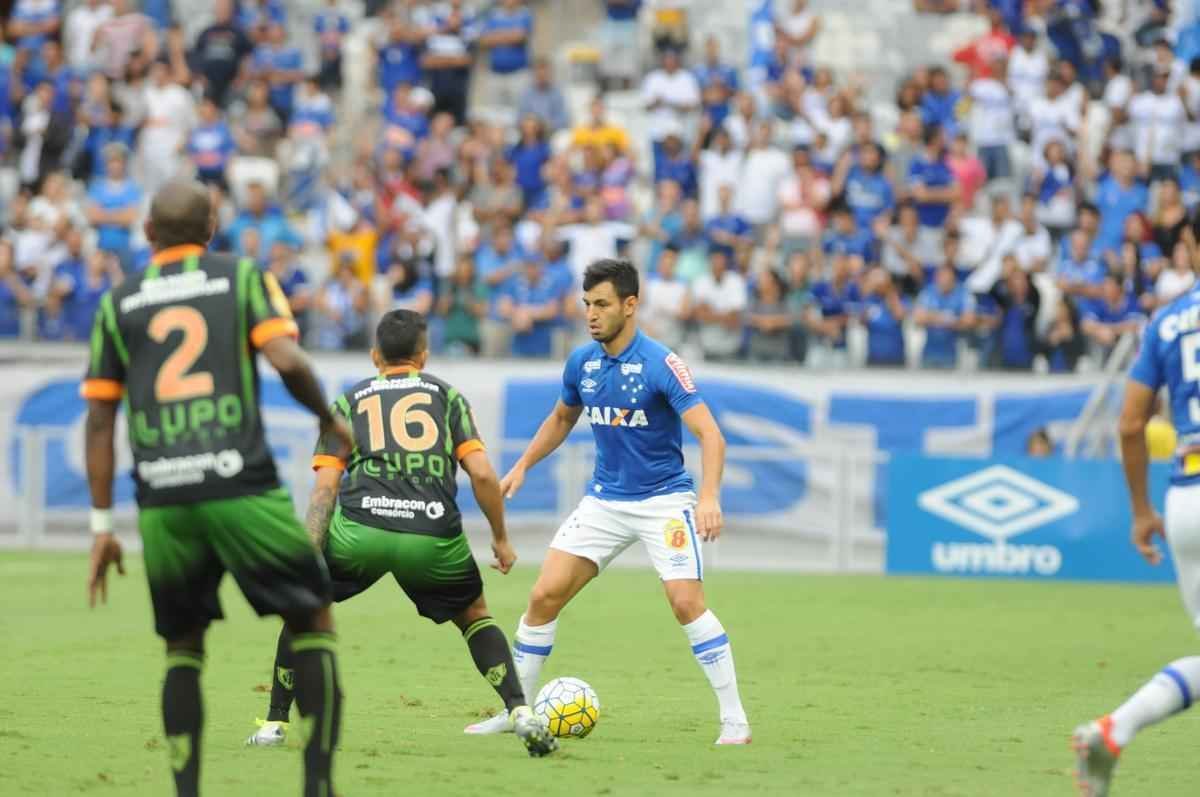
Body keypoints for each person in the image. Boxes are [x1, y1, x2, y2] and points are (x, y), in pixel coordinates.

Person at [81, 179, 353, 797]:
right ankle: (318, 786)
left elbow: (99, 419)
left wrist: (102, 528)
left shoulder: (117, 303)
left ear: (147, 235)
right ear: (211, 230)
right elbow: (286, 359)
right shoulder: (240, 277)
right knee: (311, 617)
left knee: (183, 647)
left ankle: (186, 790)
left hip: (163, 500)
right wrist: (328, 420)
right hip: (240, 485)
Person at [464, 258, 752, 745]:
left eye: (601, 305)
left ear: (630, 305)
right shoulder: (583, 362)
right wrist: (521, 466)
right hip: (605, 502)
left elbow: (712, 436)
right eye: (586, 305)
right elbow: (560, 419)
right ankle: (516, 711)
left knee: (686, 603)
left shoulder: (661, 364)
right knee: (542, 597)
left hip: (664, 501)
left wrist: (708, 497)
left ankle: (735, 720)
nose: (591, 314)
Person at [245, 309, 557, 757]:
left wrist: (308, 555)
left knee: (303, 611)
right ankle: (520, 711)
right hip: (431, 536)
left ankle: (274, 724)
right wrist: (501, 538)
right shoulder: (447, 398)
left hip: (360, 531)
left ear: (375, 356)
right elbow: (484, 476)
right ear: (423, 357)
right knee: (474, 615)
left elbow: (324, 489)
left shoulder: (349, 401)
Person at [1072, 250, 1200, 794]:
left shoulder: (1167, 321)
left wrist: (1141, 510)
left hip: (1186, 499)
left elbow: (1130, 425)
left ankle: (1114, 728)